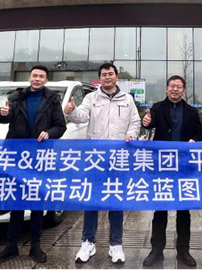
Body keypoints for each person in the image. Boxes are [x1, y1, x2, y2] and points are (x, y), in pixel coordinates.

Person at [64, 62, 140, 264]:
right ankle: (88, 242)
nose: (107, 77)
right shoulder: (91, 98)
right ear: (100, 78)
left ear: (116, 77)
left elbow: (135, 122)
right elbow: (81, 116)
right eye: (104, 74)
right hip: (95, 158)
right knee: (92, 200)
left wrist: (131, 135)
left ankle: (116, 244)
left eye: (110, 73)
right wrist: (70, 111)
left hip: (118, 158)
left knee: (115, 200)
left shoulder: (128, 99)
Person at [0, 65, 66, 265]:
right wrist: (2, 113)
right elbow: (1, 118)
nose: (37, 79)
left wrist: (49, 133)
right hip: (16, 157)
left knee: (36, 203)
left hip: (40, 157)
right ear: (30, 78)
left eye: (41, 76)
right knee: (15, 202)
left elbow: (61, 126)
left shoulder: (52, 99)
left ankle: (35, 245)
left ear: (46, 80)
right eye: (34, 76)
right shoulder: (16, 97)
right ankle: (11, 245)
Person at [141, 75, 202, 267]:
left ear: (184, 90)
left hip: (184, 166)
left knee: (184, 211)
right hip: (162, 166)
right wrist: (146, 122)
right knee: (160, 210)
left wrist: (194, 140)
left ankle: (183, 251)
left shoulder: (192, 111)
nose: (175, 89)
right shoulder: (157, 108)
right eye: (172, 86)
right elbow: (148, 124)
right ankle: (156, 251)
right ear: (166, 88)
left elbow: (199, 134)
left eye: (179, 86)